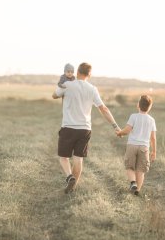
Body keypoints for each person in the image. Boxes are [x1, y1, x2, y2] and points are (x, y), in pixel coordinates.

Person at [52, 62, 121, 194]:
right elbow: (103, 109)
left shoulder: (67, 84)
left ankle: (69, 177)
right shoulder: (92, 89)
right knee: (78, 158)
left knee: (63, 157)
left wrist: (62, 84)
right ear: (89, 75)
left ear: (77, 72)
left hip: (68, 127)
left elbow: (54, 95)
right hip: (85, 129)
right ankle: (72, 188)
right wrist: (115, 126)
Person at [116, 95, 157, 196]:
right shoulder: (151, 120)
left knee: (129, 167)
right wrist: (154, 151)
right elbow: (153, 138)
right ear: (150, 107)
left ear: (138, 105)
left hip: (132, 145)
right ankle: (137, 190)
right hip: (144, 147)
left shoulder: (133, 116)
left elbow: (127, 130)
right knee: (141, 170)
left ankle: (133, 182)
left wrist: (120, 133)